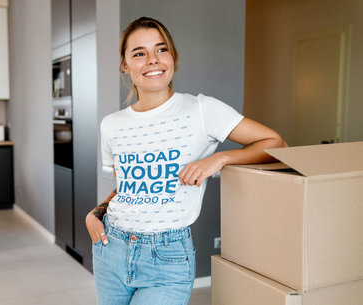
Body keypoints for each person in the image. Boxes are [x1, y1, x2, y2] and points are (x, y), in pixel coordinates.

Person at [85, 16, 287, 305]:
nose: (152, 60)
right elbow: (128, 187)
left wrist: (221, 158)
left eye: (161, 49)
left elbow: (277, 143)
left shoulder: (202, 110)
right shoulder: (112, 125)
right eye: (139, 53)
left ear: (173, 57)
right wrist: (95, 213)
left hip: (167, 256)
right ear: (125, 65)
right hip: (111, 248)